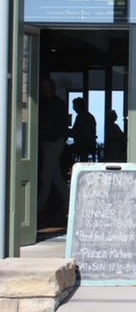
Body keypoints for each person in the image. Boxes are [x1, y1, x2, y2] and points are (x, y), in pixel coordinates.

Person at [38, 77, 70, 220]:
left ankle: (40, 205)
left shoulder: (57, 104)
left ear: (52, 88)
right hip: (48, 142)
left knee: (46, 175)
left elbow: (56, 126)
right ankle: (70, 201)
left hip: (54, 141)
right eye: (43, 87)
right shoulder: (44, 103)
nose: (45, 90)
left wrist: (48, 130)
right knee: (55, 176)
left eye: (47, 87)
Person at [68, 97, 97, 162]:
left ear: (78, 106)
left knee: (65, 150)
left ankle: (70, 167)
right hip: (90, 144)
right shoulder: (90, 116)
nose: (74, 108)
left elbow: (75, 132)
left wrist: (65, 131)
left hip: (83, 145)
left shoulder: (80, 116)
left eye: (74, 106)